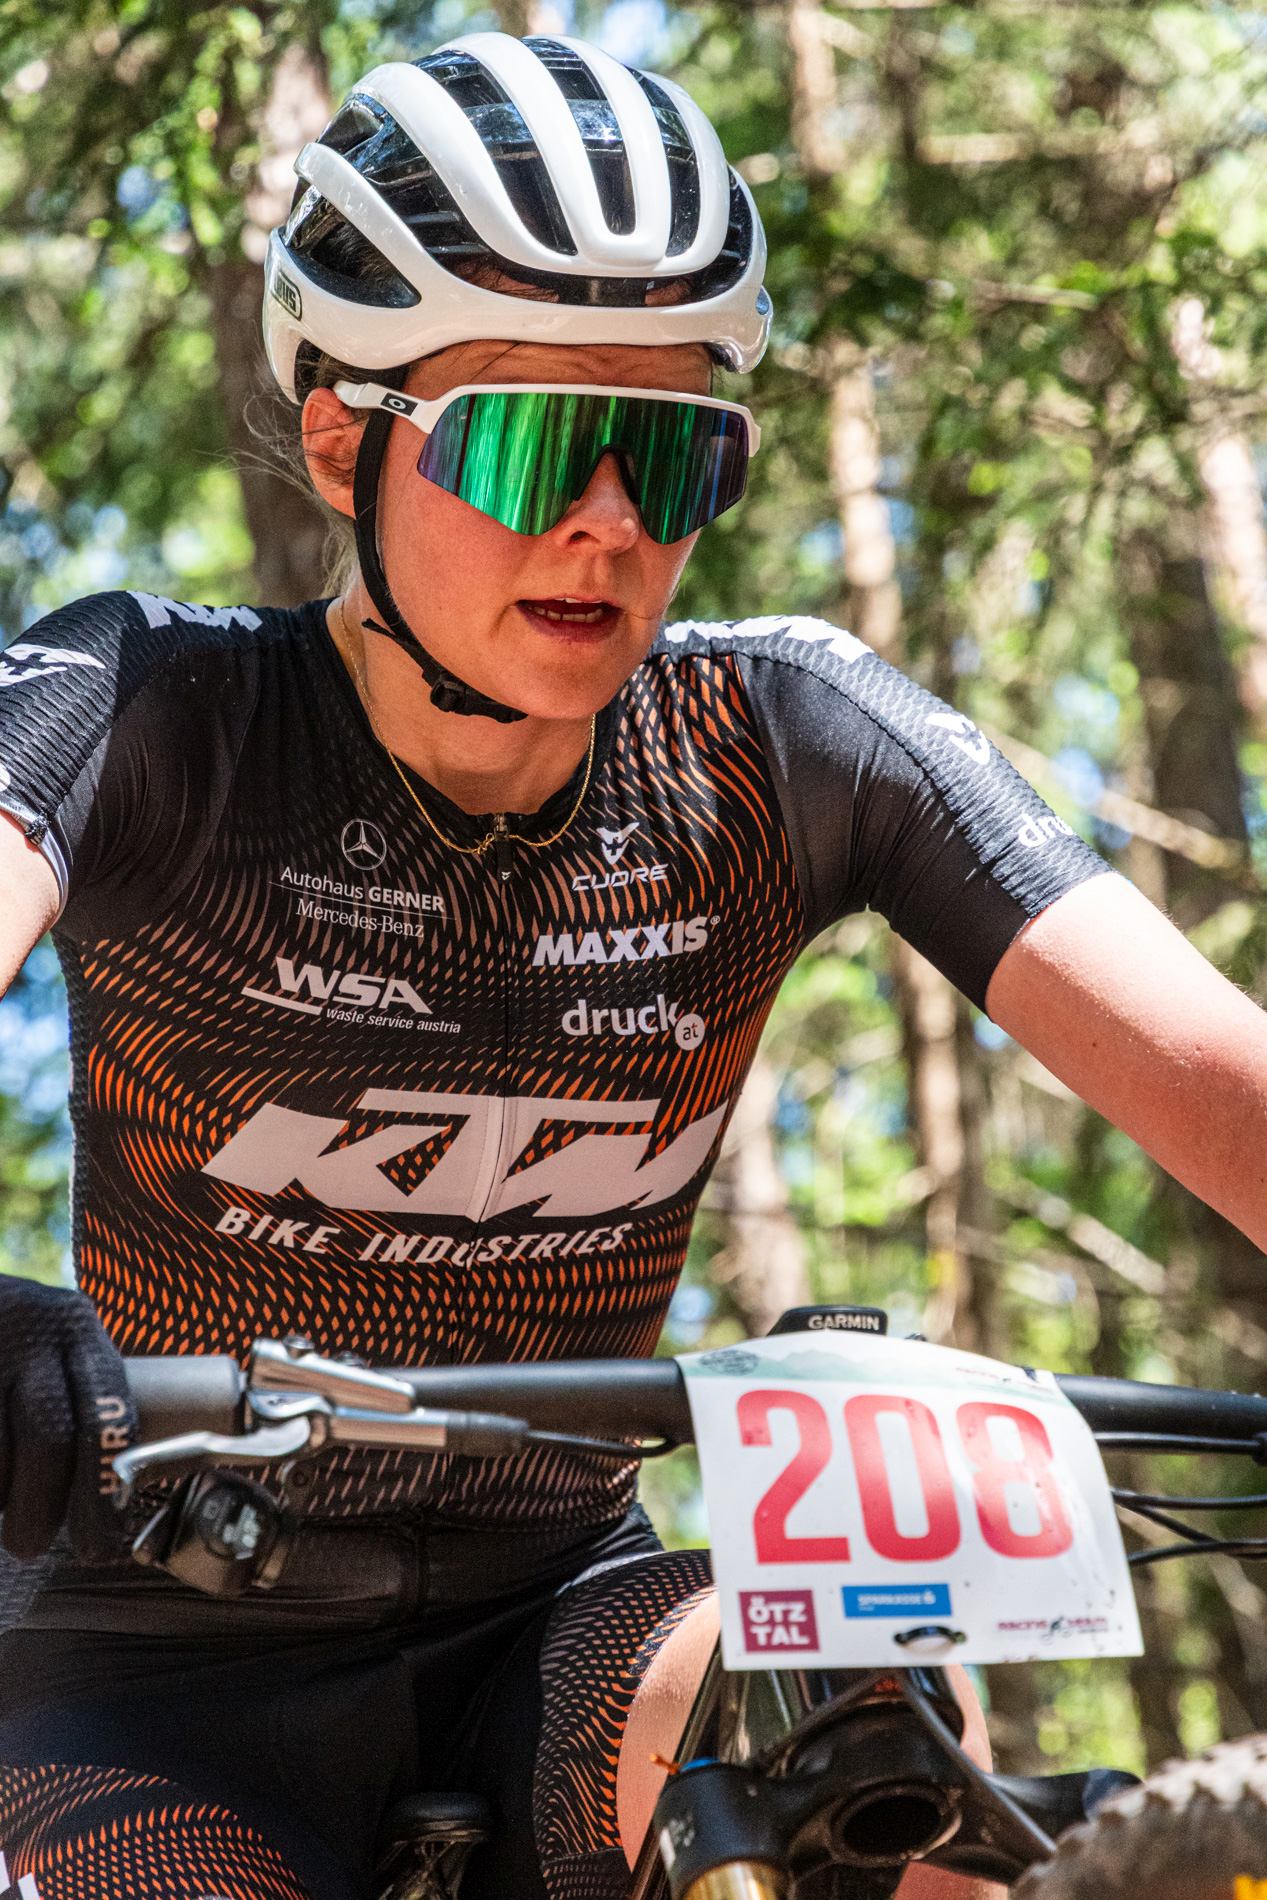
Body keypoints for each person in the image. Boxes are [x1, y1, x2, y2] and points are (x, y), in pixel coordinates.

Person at [0, 28, 1262, 1900]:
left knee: (865, 1752)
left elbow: (1235, 1091)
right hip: (148, 1657)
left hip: (562, 1609)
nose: (605, 520)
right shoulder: (140, 710)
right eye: (525, 443)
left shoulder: (782, 745)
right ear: (342, 437)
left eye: (669, 452)